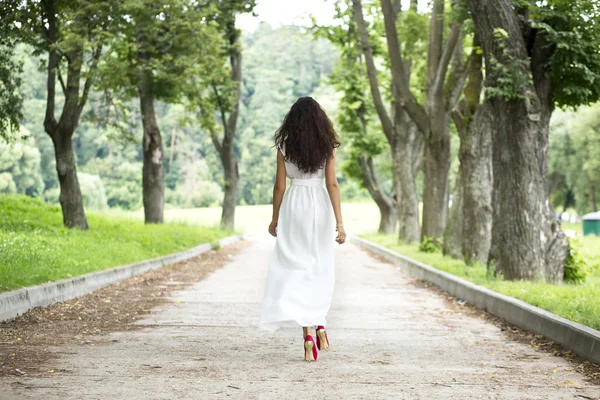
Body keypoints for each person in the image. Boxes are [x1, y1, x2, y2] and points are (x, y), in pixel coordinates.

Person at [259, 97, 346, 362]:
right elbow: (332, 185)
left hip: (294, 205)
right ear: (320, 120)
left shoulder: (284, 146)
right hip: (319, 206)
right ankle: (321, 324)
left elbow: (279, 186)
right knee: (318, 265)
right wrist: (340, 223)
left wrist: (275, 218)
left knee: (296, 267)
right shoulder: (327, 146)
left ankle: (308, 336)